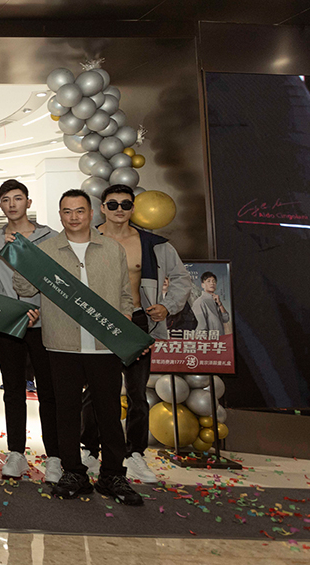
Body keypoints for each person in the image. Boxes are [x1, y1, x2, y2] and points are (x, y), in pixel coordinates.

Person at [12, 190, 143, 506]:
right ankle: (73, 472)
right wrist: (21, 258)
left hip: (104, 346)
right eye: (67, 211)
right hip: (62, 344)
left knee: (109, 413)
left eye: (80, 211)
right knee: (66, 412)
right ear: (60, 215)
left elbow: (125, 294)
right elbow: (25, 289)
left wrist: (125, 317)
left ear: (91, 213)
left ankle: (113, 475)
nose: (73, 217)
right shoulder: (46, 251)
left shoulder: (111, 249)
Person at [79, 185, 191, 484]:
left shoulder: (153, 244)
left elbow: (181, 278)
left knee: (137, 392)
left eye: (125, 204)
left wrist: (167, 306)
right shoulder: (86, 239)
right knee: (94, 390)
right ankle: (89, 449)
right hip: (99, 322)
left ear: (133, 208)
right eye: (113, 204)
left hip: (139, 322)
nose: (119, 210)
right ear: (102, 208)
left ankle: (135, 454)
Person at [0, 180, 60, 482]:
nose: (12, 204)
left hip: (45, 324)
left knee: (48, 391)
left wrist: (42, 307)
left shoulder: (49, 238)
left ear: (28, 202)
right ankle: (16, 453)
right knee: (12, 390)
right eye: (6, 200)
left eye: (17, 198)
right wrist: (8, 310)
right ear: (0, 205)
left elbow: (58, 281)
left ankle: (55, 456)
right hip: (9, 325)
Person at [192, 272, 231, 338]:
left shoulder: (215, 300)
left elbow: (226, 318)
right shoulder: (200, 302)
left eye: (214, 281)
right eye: (208, 281)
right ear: (203, 285)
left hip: (220, 340)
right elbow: (200, 329)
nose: (212, 283)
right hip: (210, 341)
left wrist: (219, 303)